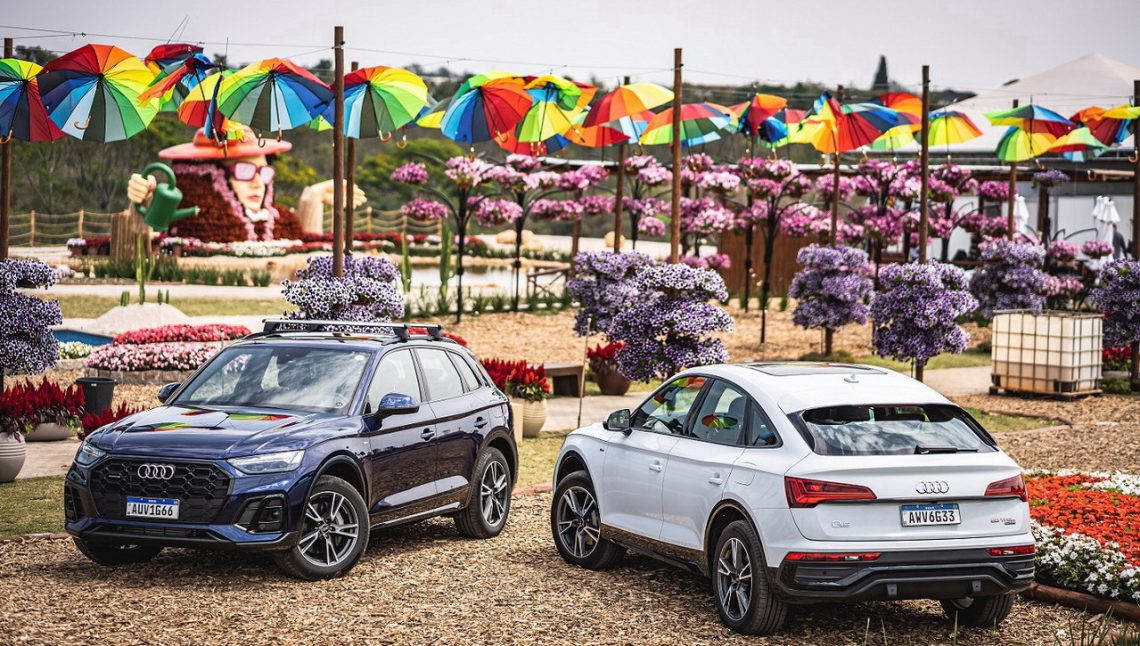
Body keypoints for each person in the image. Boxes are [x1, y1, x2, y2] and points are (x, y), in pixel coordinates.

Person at [126, 126, 303, 242]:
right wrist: (146, 198)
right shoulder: (188, 228)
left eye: (264, 173)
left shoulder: (285, 223)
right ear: (209, 178)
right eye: (244, 171)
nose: (258, 184)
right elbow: (145, 235)